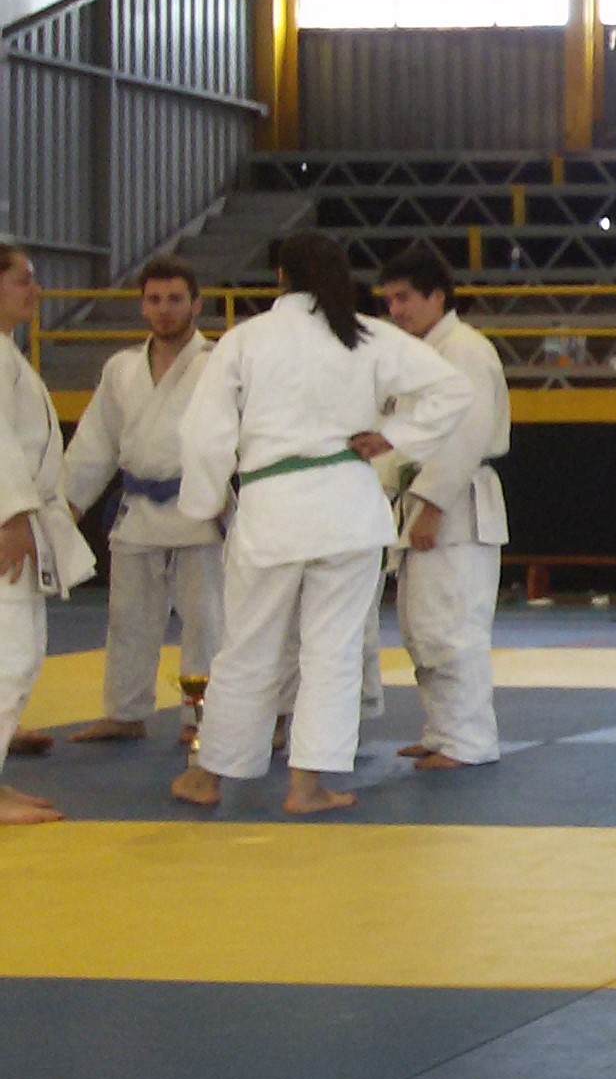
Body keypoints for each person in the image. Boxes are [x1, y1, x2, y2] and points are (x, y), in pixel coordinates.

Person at [172, 234, 471, 816]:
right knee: (333, 652)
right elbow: (450, 389)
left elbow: (202, 433)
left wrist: (205, 500)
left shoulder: (245, 341)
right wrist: (397, 438)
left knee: (248, 648)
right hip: (348, 509)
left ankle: (209, 777)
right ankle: (308, 786)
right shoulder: (366, 335)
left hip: (272, 510)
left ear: (280, 273)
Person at [62, 256, 220, 748]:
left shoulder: (217, 364)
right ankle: (125, 711)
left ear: (196, 303)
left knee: (207, 620)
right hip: (137, 511)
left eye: (176, 299)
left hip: (199, 509)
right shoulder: (121, 370)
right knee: (127, 617)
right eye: (154, 300)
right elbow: (96, 442)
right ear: (142, 307)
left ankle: (204, 717)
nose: (165, 310)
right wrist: (69, 504)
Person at [374, 250, 509, 769]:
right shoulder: (417, 354)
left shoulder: (466, 351)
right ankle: (441, 730)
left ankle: (469, 741)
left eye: (404, 297)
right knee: (421, 626)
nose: (396, 309)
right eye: (389, 299)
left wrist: (431, 503)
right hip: (418, 501)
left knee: (453, 625)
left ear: (437, 297)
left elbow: (466, 436)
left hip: (455, 503)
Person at [0, 246, 94, 823]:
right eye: (22, 280)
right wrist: (10, 517)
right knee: (8, 656)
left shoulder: (9, 355)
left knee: (21, 654)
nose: (34, 291)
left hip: (19, 514)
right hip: (6, 523)